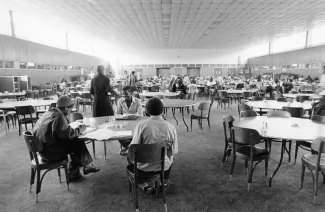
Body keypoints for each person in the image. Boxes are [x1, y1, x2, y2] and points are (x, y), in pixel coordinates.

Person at [33, 95, 100, 181]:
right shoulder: (59, 116)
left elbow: (59, 132)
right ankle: (83, 167)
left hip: (42, 151)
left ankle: (76, 172)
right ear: (65, 108)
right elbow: (65, 134)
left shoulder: (49, 113)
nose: (70, 111)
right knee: (77, 141)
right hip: (51, 154)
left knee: (74, 142)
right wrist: (80, 129)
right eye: (70, 108)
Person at [127, 97, 178, 189]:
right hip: (163, 167)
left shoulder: (142, 126)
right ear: (163, 110)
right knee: (170, 157)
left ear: (146, 110)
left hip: (143, 168)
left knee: (130, 157)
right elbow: (173, 151)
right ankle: (164, 181)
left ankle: (141, 182)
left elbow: (133, 148)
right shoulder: (171, 127)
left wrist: (127, 149)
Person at [116, 86, 143, 155]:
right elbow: (117, 113)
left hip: (136, 122)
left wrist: (133, 116)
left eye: (126, 94)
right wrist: (123, 116)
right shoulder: (120, 101)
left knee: (136, 133)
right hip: (124, 122)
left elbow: (140, 114)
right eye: (123, 94)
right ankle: (130, 147)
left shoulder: (138, 101)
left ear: (131, 93)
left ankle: (129, 147)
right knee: (117, 133)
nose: (124, 96)